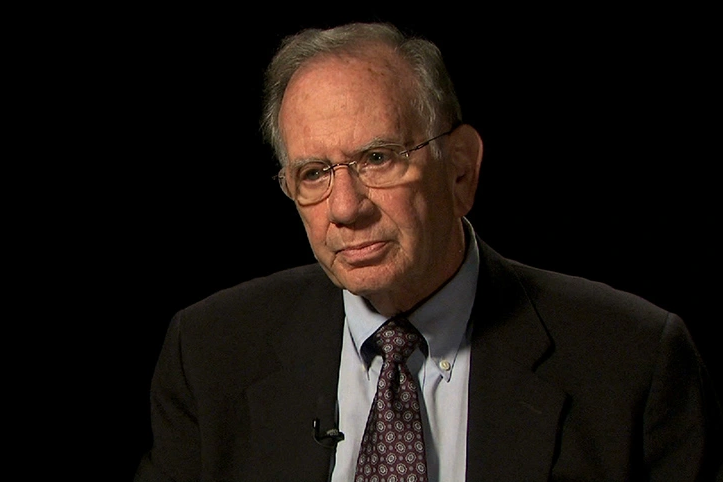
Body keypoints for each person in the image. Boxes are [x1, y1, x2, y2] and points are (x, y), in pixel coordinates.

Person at [134, 22, 721, 481]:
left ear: (461, 171)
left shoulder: (632, 361)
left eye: (378, 159)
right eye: (313, 173)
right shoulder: (210, 354)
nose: (345, 207)